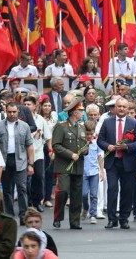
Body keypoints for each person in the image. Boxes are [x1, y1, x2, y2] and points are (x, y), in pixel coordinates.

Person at [97, 98, 136, 229]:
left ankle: (124, 218)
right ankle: (112, 219)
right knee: (112, 189)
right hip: (112, 161)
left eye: (124, 106)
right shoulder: (107, 122)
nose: (121, 109)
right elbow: (100, 140)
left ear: (128, 109)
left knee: (127, 191)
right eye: (119, 106)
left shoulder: (134, 123)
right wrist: (108, 146)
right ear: (115, 108)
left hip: (128, 161)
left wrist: (127, 147)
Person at [0, 103, 35, 223]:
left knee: (22, 188)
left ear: (18, 112)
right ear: (6, 111)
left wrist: (31, 164)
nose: (12, 114)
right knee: (7, 190)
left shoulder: (24, 126)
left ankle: (23, 216)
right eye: (9, 112)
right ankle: (9, 215)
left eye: (14, 112)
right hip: (4, 160)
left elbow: (29, 145)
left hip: (20, 160)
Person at [51, 99, 88, 230]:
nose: (83, 113)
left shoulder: (81, 127)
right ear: (74, 112)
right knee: (63, 191)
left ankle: (75, 221)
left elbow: (83, 144)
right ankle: (58, 217)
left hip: (78, 165)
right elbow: (56, 145)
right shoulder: (61, 126)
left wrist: (85, 150)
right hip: (64, 165)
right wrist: (70, 154)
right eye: (81, 111)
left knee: (77, 194)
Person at [23, 96, 52, 213]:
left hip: (38, 153)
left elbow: (48, 136)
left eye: (29, 104)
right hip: (24, 154)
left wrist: (50, 150)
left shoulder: (40, 119)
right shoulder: (21, 120)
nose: (26, 107)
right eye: (24, 104)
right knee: (26, 180)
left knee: (39, 177)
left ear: (35, 106)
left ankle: (37, 201)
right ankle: (28, 203)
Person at [81, 120, 103, 225]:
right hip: (83, 172)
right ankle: (85, 207)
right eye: (87, 134)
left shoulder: (96, 142)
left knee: (94, 194)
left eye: (91, 134)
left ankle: (93, 214)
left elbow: (100, 156)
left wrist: (102, 171)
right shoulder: (81, 142)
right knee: (84, 194)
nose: (89, 136)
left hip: (94, 171)